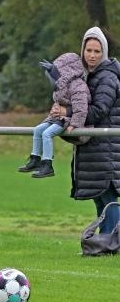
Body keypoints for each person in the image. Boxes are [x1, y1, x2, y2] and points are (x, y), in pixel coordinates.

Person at [58, 26, 120, 234]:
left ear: (104, 53)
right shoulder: (87, 77)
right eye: (88, 50)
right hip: (96, 149)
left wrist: (68, 112)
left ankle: (111, 241)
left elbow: (99, 111)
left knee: (108, 198)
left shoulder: (107, 78)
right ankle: (105, 242)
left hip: (106, 149)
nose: (92, 56)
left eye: (97, 51)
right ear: (82, 51)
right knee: (100, 198)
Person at [18, 52, 91, 178]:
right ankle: (35, 158)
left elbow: (81, 109)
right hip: (58, 118)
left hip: (67, 119)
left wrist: (75, 124)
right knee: (38, 130)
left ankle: (47, 164)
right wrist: (53, 112)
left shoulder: (78, 86)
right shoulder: (61, 86)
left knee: (47, 133)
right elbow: (58, 104)